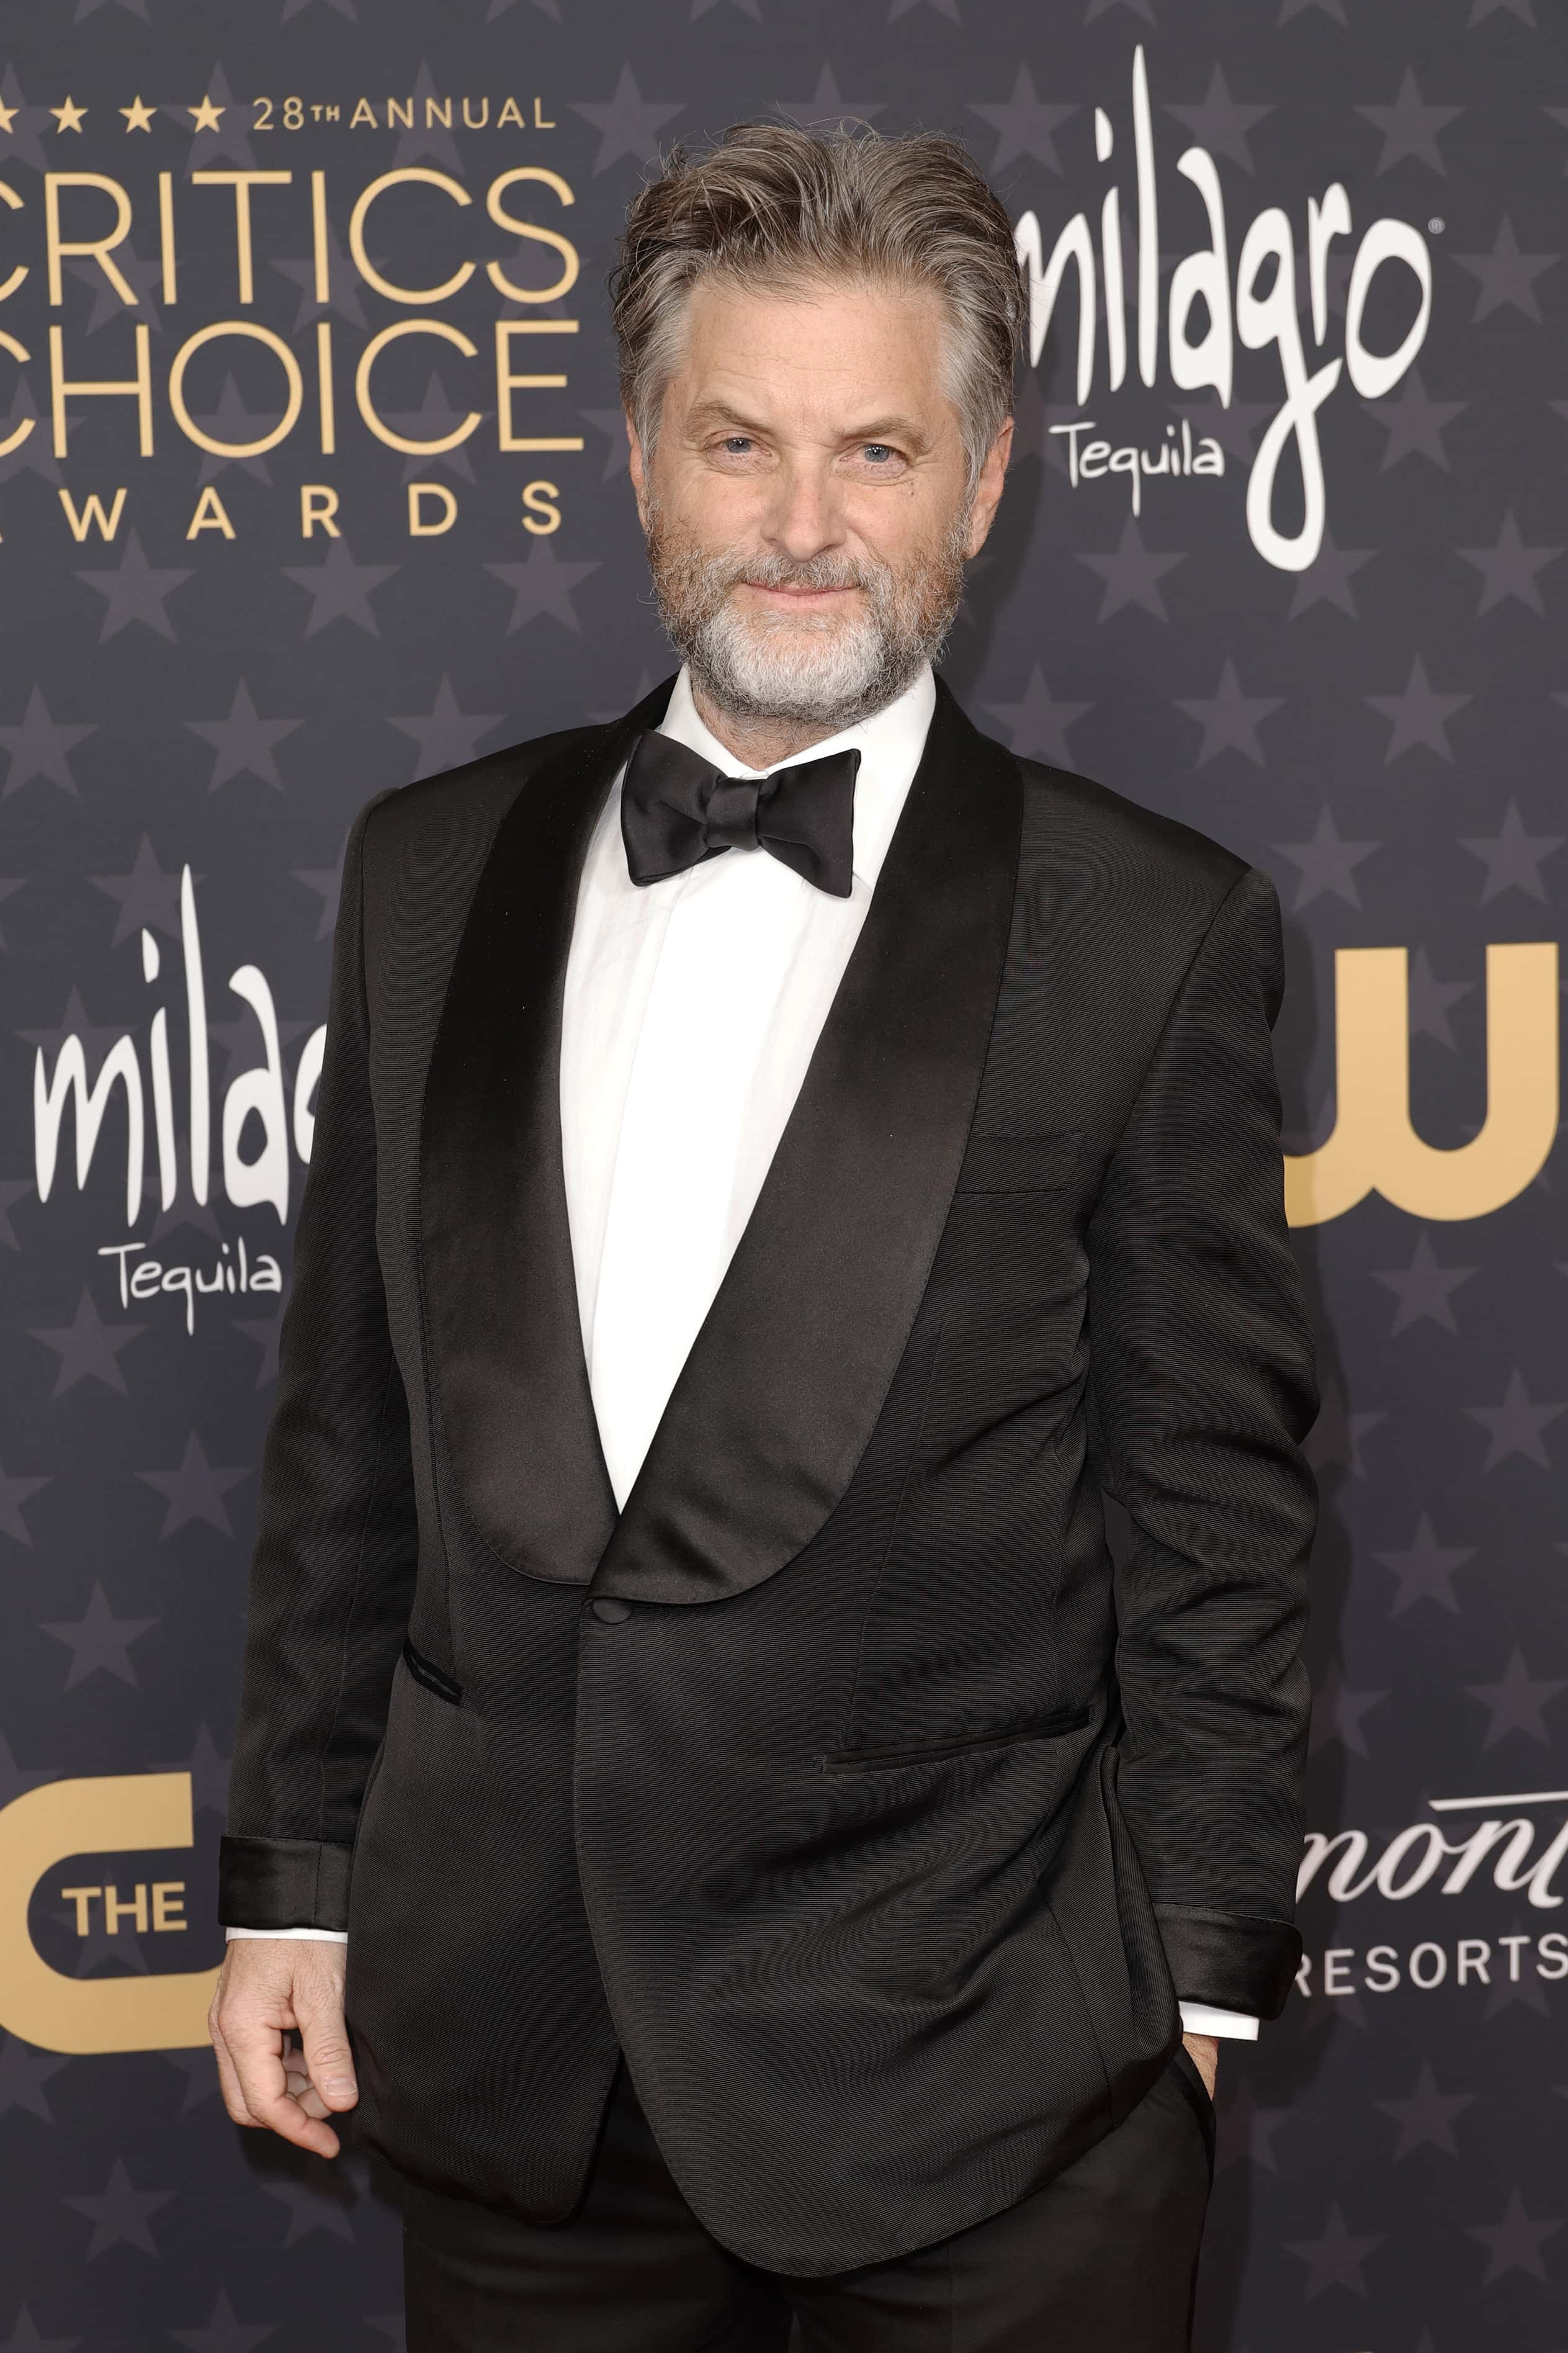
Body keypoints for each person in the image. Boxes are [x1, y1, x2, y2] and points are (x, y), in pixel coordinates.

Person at [208, 121, 1318, 2351]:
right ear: (640, 458)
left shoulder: (1149, 929)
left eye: (874, 451)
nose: (804, 525)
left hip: (988, 2078)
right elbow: (351, 1440)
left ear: (980, 482)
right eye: (738, 442)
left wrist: (1190, 2002)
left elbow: (1216, 1515)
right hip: (514, 2063)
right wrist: (296, 1888)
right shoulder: (426, 872)